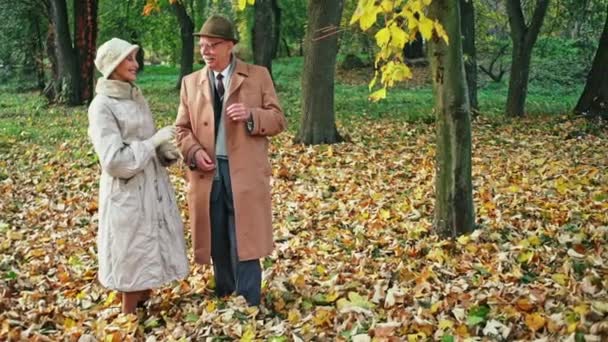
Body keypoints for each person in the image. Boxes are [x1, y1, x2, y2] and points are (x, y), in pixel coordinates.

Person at [175, 15, 286, 306]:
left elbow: (277, 119)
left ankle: (248, 299)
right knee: (216, 233)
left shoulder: (258, 75)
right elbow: (181, 129)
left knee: (245, 236)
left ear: (230, 46)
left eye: (213, 45)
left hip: (245, 172)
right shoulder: (190, 83)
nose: (206, 51)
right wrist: (193, 151)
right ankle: (225, 291)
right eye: (202, 46)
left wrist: (252, 115)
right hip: (208, 173)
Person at [88, 38, 189, 314]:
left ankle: (144, 299)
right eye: (128, 59)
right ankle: (128, 317)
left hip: (151, 185)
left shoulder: (135, 95)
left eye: (135, 57)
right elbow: (114, 161)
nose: (136, 64)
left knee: (149, 242)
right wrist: (152, 142)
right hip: (127, 190)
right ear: (112, 65)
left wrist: (163, 152)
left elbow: (145, 141)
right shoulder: (101, 106)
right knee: (130, 250)